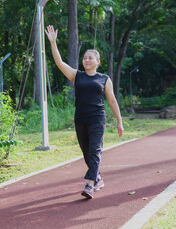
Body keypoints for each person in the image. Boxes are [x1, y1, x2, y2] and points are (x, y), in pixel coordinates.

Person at [45, 25, 124, 199]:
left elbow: (111, 100)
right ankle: (98, 178)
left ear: (98, 62)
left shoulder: (104, 79)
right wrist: (53, 43)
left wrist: (119, 121)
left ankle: (90, 184)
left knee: (95, 150)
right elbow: (59, 63)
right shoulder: (77, 75)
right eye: (85, 58)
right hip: (80, 119)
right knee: (87, 152)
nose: (87, 60)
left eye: (90, 58)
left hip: (97, 119)